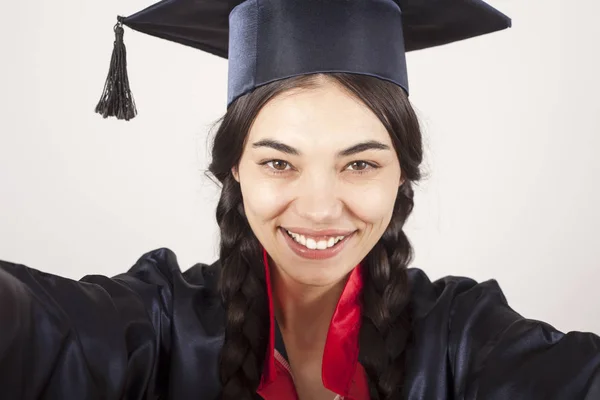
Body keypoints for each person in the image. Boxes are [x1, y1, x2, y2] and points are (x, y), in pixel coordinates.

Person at [1, 0, 599, 399]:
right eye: (279, 162)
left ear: (402, 176)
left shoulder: (464, 339)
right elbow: (37, 332)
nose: (318, 208)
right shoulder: (159, 322)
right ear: (235, 169)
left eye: (360, 163)